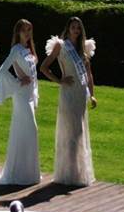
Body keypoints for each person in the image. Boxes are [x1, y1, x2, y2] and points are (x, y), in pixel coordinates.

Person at [40, 16, 96, 187]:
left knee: (78, 132)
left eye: (78, 28)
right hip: (68, 93)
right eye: (73, 27)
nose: (76, 30)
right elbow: (44, 67)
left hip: (80, 94)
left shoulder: (82, 48)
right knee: (70, 131)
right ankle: (68, 172)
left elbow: (88, 74)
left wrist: (92, 94)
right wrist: (59, 81)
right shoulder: (61, 46)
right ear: (68, 28)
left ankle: (78, 171)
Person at [0, 18, 41, 186]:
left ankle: (27, 173)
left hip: (29, 95)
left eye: (30, 30)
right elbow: (2, 70)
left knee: (26, 133)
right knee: (31, 130)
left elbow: (32, 73)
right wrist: (16, 82)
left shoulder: (28, 50)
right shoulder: (16, 49)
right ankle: (19, 172)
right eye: (24, 30)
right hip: (21, 96)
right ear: (18, 32)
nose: (27, 33)